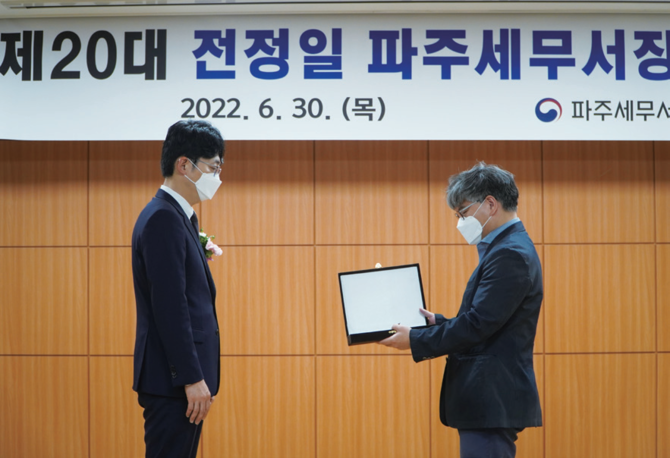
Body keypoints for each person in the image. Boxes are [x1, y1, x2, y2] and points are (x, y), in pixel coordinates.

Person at [380, 162, 543, 458]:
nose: (460, 222)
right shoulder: (506, 248)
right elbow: (486, 320)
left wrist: (415, 339)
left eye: (463, 212)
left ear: (490, 204)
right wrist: (436, 322)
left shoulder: (510, 254)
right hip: (488, 401)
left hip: (491, 398)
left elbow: (478, 325)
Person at [131, 120, 225, 458]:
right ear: (184, 165)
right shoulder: (163, 218)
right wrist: (190, 377)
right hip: (173, 383)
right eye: (213, 167)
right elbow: (170, 308)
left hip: (177, 382)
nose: (217, 177)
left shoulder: (178, 217)